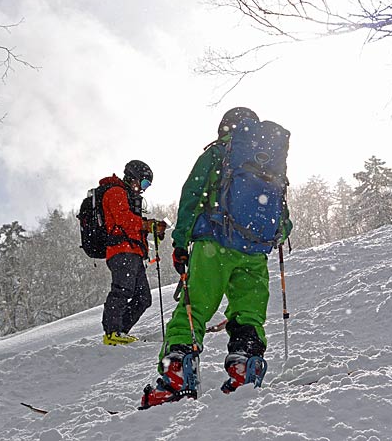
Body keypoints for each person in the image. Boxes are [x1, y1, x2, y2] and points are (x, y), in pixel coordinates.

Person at [140, 107, 293, 407]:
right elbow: (283, 219)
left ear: (226, 128)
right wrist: (273, 236)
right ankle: (243, 370)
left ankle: (176, 377)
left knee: (193, 308)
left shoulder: (218, 154)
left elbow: (192, 195)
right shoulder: (268, 165)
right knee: (248, 314)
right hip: (255, 253)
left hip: (215, 244)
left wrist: (180, 241)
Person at [99, 159, 167, 346]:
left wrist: (151, 228)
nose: (144, 188)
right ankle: (111, 332)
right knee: (122, 290)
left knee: (144, 298)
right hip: (121, 251)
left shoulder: (128, 196)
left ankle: (120, 331)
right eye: (144, 183)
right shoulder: (115, 191)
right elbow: (123, 219)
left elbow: (132, 224)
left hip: (134, 252)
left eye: (147, 185)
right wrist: (146, 224)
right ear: (133, 177)